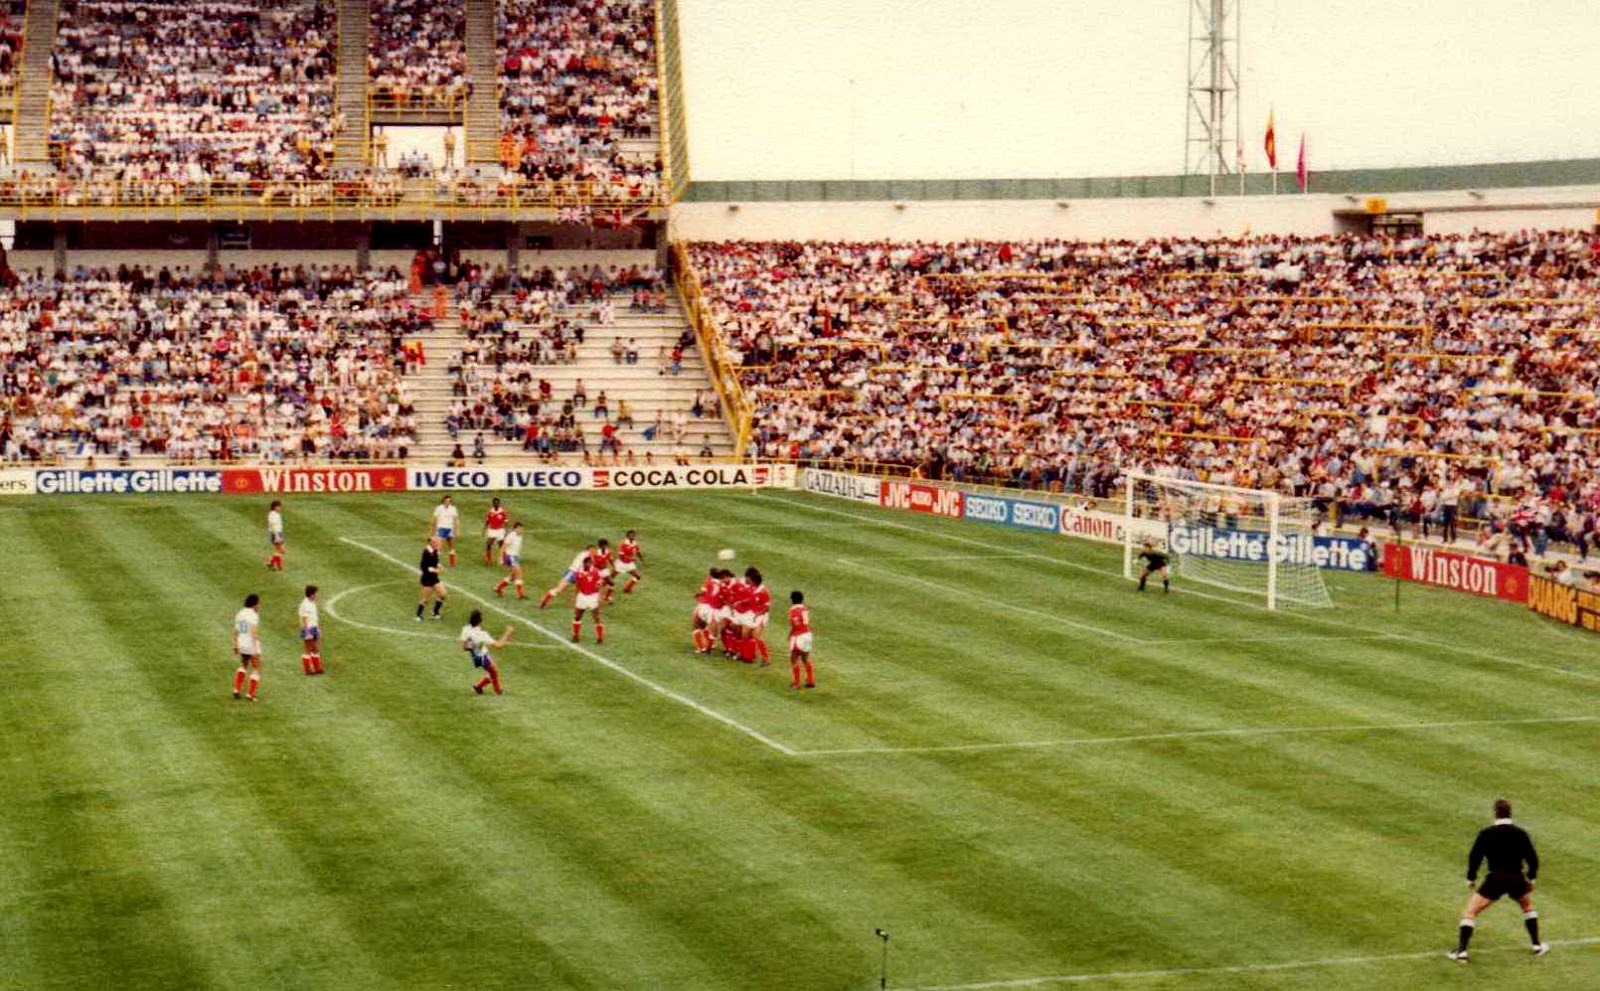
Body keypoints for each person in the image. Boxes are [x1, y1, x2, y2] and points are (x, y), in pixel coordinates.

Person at [1448, 799, 1548, 961]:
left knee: (1470, 911)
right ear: (1510, 813)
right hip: (1516, 878)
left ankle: (1462, 951)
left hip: (1495, 878)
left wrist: (1471, 877)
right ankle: (1537, 945)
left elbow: (1475, 856)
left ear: (1495, 813)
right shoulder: (1520, 833)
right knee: (1527, 906)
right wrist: (1531, 878)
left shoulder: (1487, 834)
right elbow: (1532, 858)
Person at [460, 609, 514, 695]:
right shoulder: (482, 634)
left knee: (493, 670)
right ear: (479, 621)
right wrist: (507, 633)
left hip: (475, 658)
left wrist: (474, 646)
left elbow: (463, 647)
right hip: (483, 658)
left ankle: (478, 687)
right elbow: (498, 645)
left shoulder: (465, 629)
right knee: (494, 672)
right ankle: (498, 691)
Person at [540, 542, 597, 608]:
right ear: (590, 550)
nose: (595, 552)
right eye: (594, 550)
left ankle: (577, 601)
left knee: (581, 588)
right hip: (573, 573)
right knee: (560, 589)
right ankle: (545, 600)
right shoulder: (587, 556)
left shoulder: (583, 554)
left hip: (574, 573)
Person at [231, 593, 263, 701]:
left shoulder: (240, 613)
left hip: (241, 643)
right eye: (259, 603)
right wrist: (256, 648)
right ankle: (250, 694)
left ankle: (236, 689)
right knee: (257, 667)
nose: (259, 606)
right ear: (254, 604)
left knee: (244, 664)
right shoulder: (253, 615)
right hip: (250, 643)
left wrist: (235, 644)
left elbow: (236, 630)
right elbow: (253, 631)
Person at [572, 558, 606, 644]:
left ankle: (600, 638)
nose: (589, 565)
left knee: (596, 617)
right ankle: (576, 636)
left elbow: (600, 584)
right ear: (584, 563)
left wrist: (599, 596)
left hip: (593, 596)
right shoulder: (579, 572)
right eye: (587, 563)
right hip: (582, 596)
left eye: (590, 563)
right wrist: (575, 596)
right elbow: (577, 585)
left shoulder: (595, 572)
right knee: (577, 616)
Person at [788, 590, 815, 690]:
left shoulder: (793, 610)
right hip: (808, 634)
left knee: (793, 659)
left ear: (792, 600)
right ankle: (810, 680)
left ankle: (797, 683)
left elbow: (796, 624)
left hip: (798, 636)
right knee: (806, 658)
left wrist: (790, 634)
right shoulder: (805, 609)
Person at [494, 522, 527, 599]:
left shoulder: (520, 536)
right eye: (519, 528)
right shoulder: (511, 536)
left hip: (514, 557)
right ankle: (520, 594)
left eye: (522, 529)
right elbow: (503, 547)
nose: (521, 530)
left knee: (512, 576)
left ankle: (498, 588)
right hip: (510, 557)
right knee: (519, 573)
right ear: (515, 529)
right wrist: (501, 558)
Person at [417, 537, 447, 621]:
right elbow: (425, 567)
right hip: (427, 579)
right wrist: (437, 570)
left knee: (443, 594)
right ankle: (418, 615)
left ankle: (435, 612)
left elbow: (435, 561)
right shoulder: (426, 552)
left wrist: (439, 565)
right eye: (438, 543)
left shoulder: (435, 551)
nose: (440, 544)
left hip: (434, 578)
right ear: (432, 543)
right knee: (425, 599)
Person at [691, 567, 720, 653]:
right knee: (706, 626)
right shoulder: (721, 584)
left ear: (710, 575)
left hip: (705, 606)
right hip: (715, 609)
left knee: (696, 625)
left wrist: (697, 595)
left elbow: (704, 592)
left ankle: (700, 648)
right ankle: (709, 645)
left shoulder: (709, 581)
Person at [298, 585, 324, 676]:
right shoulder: (305, 604)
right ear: (312, 594)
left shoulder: (312, 603)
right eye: (316, 593)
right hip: (308, 628)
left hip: (314, 627)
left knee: (316, 648)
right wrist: (307, 631)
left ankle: (317, 668)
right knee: (308, 648)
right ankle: (307, 669)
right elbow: (304, 619)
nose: (317, 595)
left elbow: (314, 618)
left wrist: (318, 628)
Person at [431, 495, 460, 567]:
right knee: (439, 546)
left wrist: (457, 530)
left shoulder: (453, 509)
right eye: (446, 501)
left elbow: (456, 519)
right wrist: (433, 530)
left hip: (449, 529)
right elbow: (434, 519)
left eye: (449, 501)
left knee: (452, 546)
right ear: (443, 501)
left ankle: (452, 563)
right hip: (441, 528)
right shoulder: (439, 508)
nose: (448, 502)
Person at [483, 496, 509, 566]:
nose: (496, 504)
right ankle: (489, 560)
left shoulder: (503, 512)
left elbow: (506, 522)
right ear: (493, 504)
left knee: (501, 546)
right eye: (495, 503)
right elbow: (487, 521)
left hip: (500, 530)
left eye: (497, 503)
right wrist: (484, 529)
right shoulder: (490, 512)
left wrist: (506, 531)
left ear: (499, 503)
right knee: (488, 545)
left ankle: (504, 561)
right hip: (491, 530)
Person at [616, 529, 643, 594]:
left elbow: (638, 551)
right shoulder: (623, 544)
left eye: (634, 536)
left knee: (637, 576)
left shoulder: (635, 543)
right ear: (627, 536)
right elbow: (621, 556)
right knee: (611, 577)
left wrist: (641, 558)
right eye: (631, 536)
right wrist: (631, 559)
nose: (633, 537)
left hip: (629, 564)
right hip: (621, 563)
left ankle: (627, 588)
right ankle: (599, 586)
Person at [266, 501, 285, 571]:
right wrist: (277, 536)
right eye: (279, 506)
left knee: (281, 550)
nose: (280, 508)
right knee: (280, 550)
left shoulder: (276, 514)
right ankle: (277, 565)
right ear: (275, 507)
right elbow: (273, 525)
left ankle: (271, 562)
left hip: (278, 533)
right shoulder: (273, 515)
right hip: (276, 533)